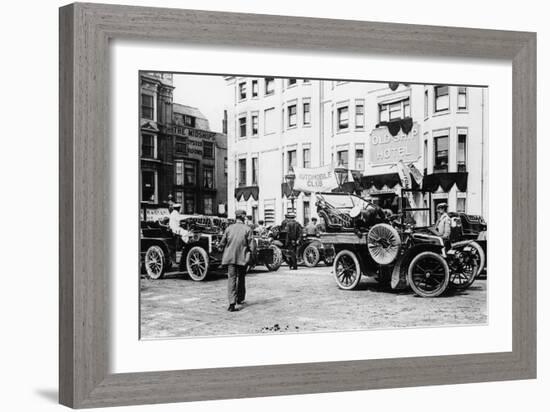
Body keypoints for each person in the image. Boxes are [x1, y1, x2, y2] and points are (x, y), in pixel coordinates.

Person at [218, 209, 255, 312]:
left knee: (231, 279)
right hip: (242, 258)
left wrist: (221, 247)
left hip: (230, 258)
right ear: (243, 217)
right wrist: (253, 258)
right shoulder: (247, 229)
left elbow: (222, 243)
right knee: (241, 278)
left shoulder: (229, 228)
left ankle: (231, 304)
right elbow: (252, 246)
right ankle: (240, 298)